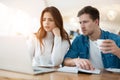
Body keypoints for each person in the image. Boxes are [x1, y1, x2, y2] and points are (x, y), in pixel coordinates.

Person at [63, 6, 120, 70]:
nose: (82, 26)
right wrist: (75, 61)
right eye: (80, 22)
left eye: (85, 22)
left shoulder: (115, 39)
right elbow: (65, 61)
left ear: (96, 22)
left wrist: (118, 51)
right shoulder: (79, 40)